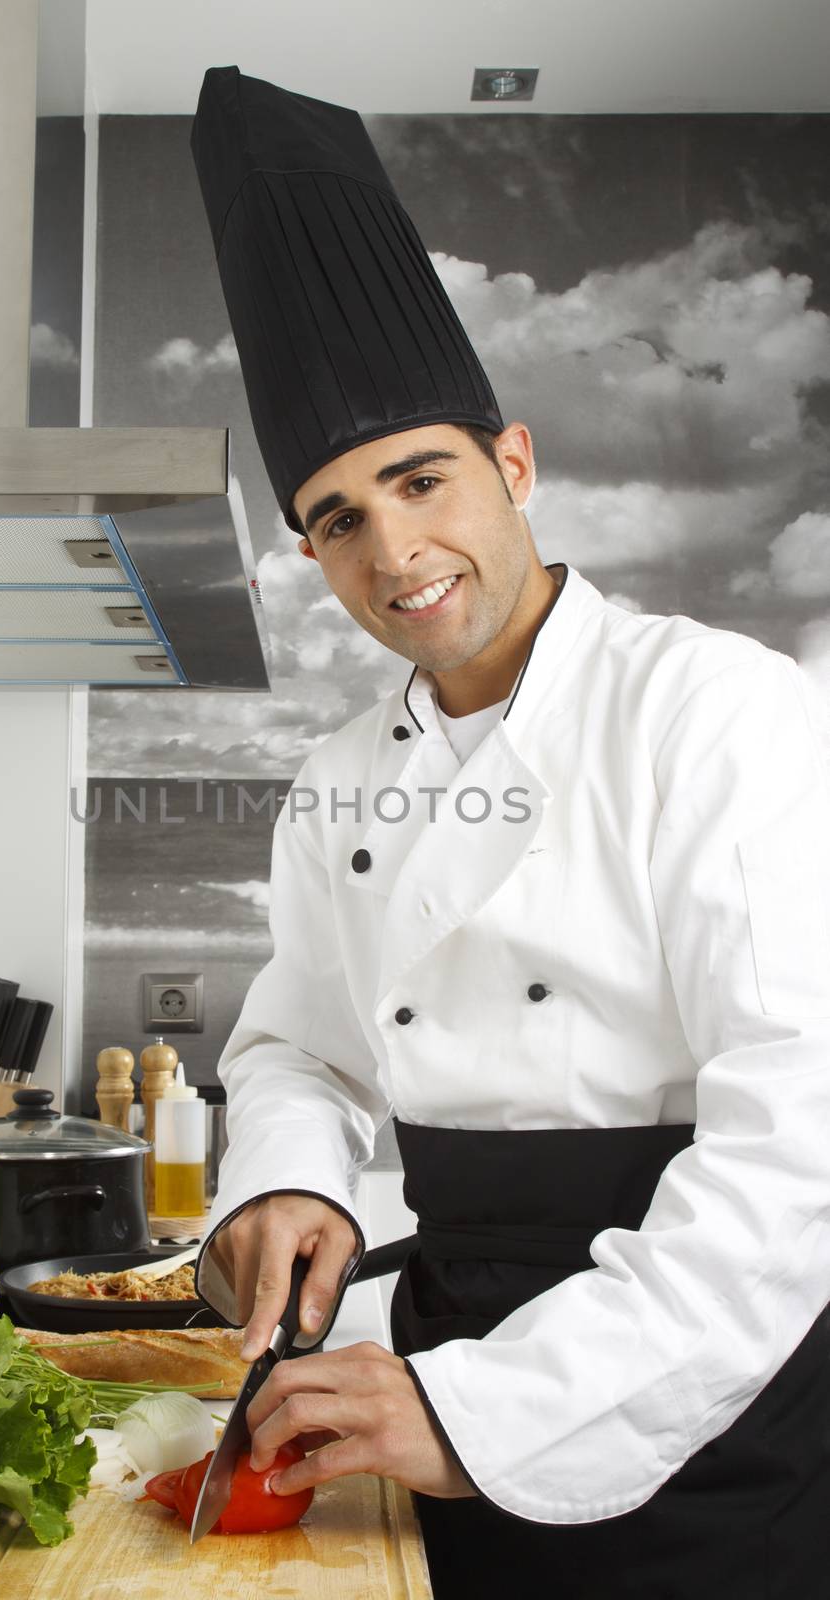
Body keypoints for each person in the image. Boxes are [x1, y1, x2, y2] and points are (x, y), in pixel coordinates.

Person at [189, 67, 830, 1598]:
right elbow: (302, 1047)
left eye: (423, 480)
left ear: (517, 465)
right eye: (339, 516)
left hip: (693, 1394)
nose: (394, 549)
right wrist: (291, 1179)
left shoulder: (715, 711)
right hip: (441, 1361)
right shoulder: (339, 776)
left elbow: (797, 1147)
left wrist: (487, 1409)